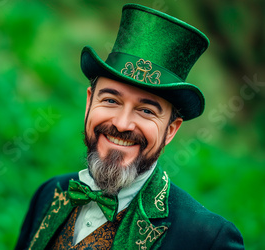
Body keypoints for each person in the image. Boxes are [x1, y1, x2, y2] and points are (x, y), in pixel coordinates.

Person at [15, 4, 244, 250]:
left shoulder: (208, 239)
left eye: (146, 110)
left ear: (170, 130)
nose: (122, 124)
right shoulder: (49, 194)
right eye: (111, 100)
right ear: (89, 103)